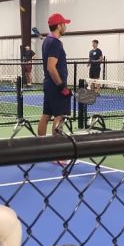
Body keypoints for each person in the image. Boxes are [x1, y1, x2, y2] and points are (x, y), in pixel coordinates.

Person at [37, 13, 72, 151]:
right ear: (59, 26)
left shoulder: (47, 40)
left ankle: (40, 148)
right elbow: (51, 67)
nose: (65, 27)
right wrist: (61, 86)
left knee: (46, 115)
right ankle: (57, 152)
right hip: (55, 86)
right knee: (60, 117)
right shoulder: (55, 43)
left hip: (49, 84)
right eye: (64, 24)